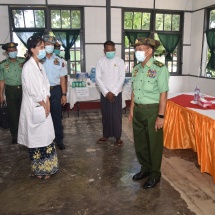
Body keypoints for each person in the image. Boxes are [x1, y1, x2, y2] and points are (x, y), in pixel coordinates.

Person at [128, 37, 170, 189]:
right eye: (136, 49)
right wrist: (131, 109)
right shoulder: (136, 69)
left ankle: (155, 174)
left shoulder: (160, 69)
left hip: (152, 110)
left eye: (140, 49)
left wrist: (160, 116)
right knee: (140, 143)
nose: (137, 52)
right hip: (138, 110)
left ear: (150, 51)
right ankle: (145, 168)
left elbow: (163, 95)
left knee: (154, 144)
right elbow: (134, 91)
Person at [18, 36, 59, 179]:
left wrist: (47, 100)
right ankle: (39, 170)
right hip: (35, 106)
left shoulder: (40, 65)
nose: (43, 50)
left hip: (44, 104)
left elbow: (46, 84)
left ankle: (49, 168)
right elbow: (32, 90)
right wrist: (43, 104)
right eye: (41, 47)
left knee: (46, 137)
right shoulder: (28, 67)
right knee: (36, 139)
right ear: (32, 49)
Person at [95, 40, 125, 146]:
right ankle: (106, 135)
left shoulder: (120, 62)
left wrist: (114, 91)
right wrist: (106, 92)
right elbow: (97, 78)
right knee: (106, 115)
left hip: (116, 93)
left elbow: (122, 77)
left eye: (112, 50)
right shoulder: (100, 62)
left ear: (115, 50)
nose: (110, 52)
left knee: (117, 116)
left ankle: (118, 137)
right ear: (104, 51)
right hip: (105, 94)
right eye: (108, 50)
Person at [42, 35, 67, 150]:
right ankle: (45, 140)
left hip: (56, 91)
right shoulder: (38, 60)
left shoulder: (59, 60)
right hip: (42, 91)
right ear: (43, 45)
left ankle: (59, 140)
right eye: (47, 44)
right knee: (43, 117)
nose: (49, 46)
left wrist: (64, 94)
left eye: (51, 44)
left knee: (57, 116)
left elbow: (62, 79)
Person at [0, 42, 25, 144]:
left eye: (14, 50)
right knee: (13, 114)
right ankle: (15, 136)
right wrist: (1, 95)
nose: (12, 52)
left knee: (24, 113)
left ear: (17, 50)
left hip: (23, 90)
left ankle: (25, 135)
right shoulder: (2, 65)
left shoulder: (23, 61)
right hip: (10, 91)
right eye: (10, 51)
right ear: (6, 53)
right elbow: (2, 81)